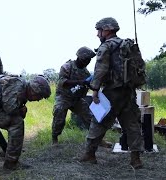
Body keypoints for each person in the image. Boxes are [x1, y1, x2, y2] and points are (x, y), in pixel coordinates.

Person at [78, 17, 144, 169]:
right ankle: (136, 159)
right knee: (132, 124)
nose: (97, 34)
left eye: (99, 30)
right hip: (128, 91)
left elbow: (100, 70)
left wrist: (95, 90)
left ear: (106, 30)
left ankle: (89, 155)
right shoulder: (126, 45)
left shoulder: (106, 46)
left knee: (98, 120)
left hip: (112, 92)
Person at [51, 46, 112, 148]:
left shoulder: (85, 73)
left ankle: (98, 139)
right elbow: (63, 82)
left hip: (77, 100)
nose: (87, 62)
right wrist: (81, 82)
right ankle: (54, 138)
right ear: (80, 57)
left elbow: (89, 85)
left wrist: (95, 87)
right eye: (86, 59)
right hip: (64, 97)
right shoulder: (67, 67)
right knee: (59, 113)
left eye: (89, 60)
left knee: (90, 117)